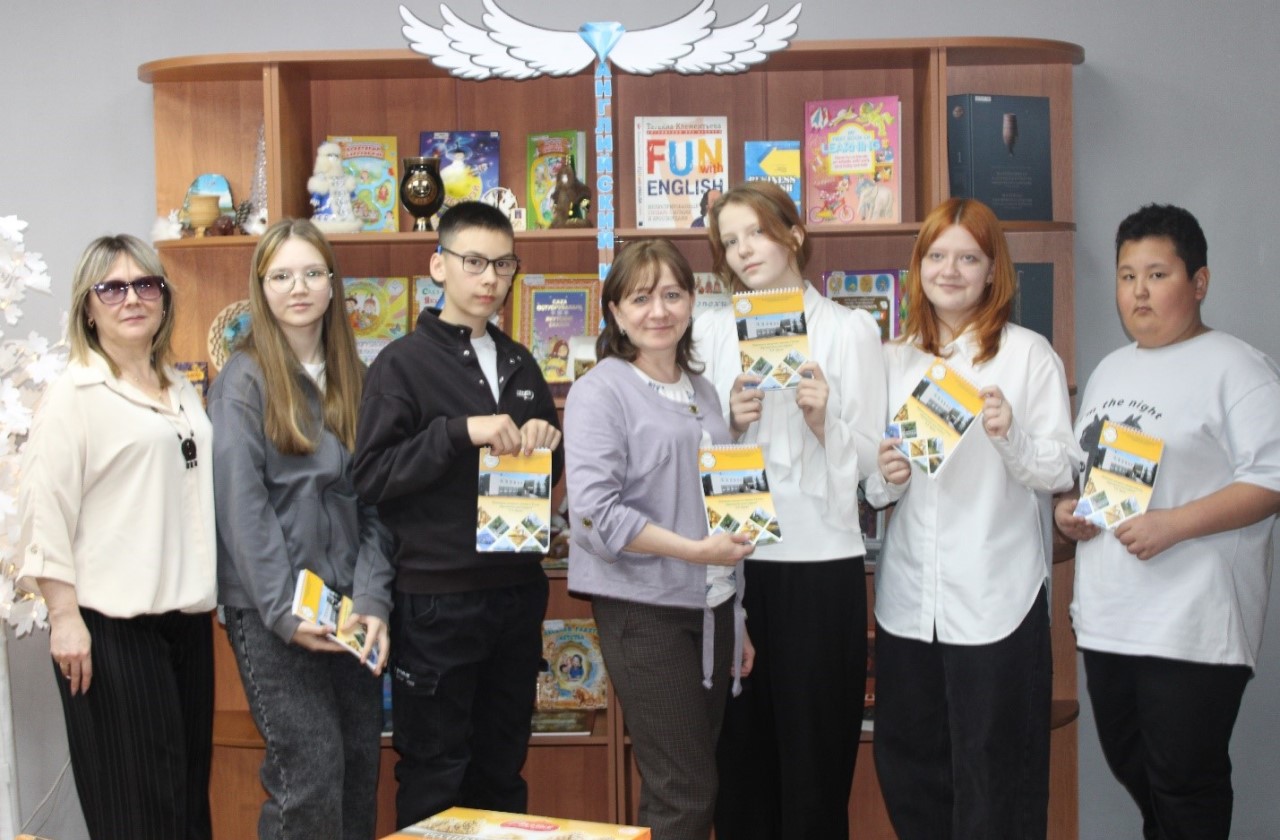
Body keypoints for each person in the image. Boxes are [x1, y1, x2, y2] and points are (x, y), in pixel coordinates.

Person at [1054, 204, 1280, 840]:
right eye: (1127, 277)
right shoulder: (1110, 369)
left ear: (1198, 282)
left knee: (1185, 784)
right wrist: (1070, 512)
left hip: (1193, 623)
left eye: (1157, 275)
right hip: (1110, 618)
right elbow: (1088, 477)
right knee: (1140, 774)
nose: (1139, 292)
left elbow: (1270, 479)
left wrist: (1173, 524)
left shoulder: (1238, 368)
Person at [865, 198, 1080, 840]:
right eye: (936, 256)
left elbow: (1060, 469)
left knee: (997, 776)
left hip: (995, 601)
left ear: (993, 271)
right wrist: (886, 476)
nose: (949, 271)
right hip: (910, 603)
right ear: (918, 267)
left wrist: (1011, 435)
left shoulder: (1028, 355)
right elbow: (872, 486)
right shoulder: (894, 358)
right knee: (910, 767)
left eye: (968, 258)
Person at [352, 201, 563, 826]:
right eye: (474, 262)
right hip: (436, 601)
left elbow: (544, 476)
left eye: (503, 264)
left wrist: (546, 446)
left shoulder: (522, 362)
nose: (490, 278)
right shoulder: (400, 363)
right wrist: (457, 432)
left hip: (516, 593)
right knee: (435, 775)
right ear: (438, 265)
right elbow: (371, 475)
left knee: (502, 769)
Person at [692, 180, 886, 839]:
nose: (743, 250)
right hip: (738, 569)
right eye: (730, 241)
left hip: (821, 567)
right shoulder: (711, 331)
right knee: (739, 774)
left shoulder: (850, 330)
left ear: (795, 234)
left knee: (816, 775)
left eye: (756, 232)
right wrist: (729, 424)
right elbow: (687, 453)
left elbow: (875, 463)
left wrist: (826, 422)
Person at [18, 235, 216, 839]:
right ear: (88, 307)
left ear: (164, 298)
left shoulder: (180, 388)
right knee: (137, 814)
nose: (132, 298)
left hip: (186, 624)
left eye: (145, 284)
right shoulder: (73, 396)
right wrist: (64, 618)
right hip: (110, 632)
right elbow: (45, 511)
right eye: (112, 288)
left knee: (186, 807)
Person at [210, 218, 393, 840]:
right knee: (309, 776)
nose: (299, 288)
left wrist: (372, 600)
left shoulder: (355, 377)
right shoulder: (243, 381)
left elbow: (377, 505)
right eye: (282, 276)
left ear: (333, 284)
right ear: (261, 288)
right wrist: (285, 612)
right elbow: (242, 509)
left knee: (358, 772)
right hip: (273, 614)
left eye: (313, 273)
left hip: (346, 610)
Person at [565, 238, 754, 840]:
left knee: (683, 786)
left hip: (712, 607)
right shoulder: (602, 390)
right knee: (686, 789)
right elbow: (593, 514)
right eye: (641, 298)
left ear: (693, 302)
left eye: (672, 294)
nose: (659, 311)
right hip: (644, 609)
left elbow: (717, 503)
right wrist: (694, 553)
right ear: (615, 312)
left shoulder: (702, 390)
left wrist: (737, 615)